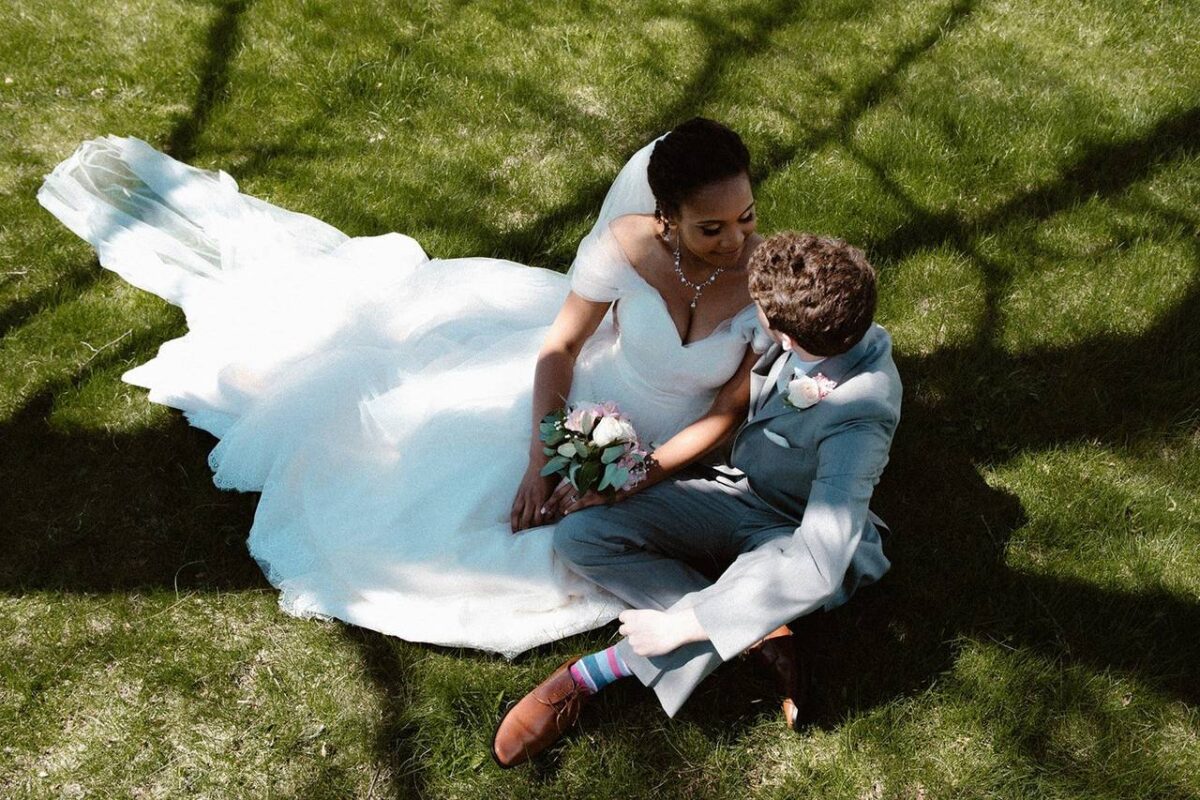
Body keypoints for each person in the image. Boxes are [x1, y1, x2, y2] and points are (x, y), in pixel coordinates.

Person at [37, 118, 770, 657]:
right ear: (665, 218)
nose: (735, 242)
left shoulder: (764, 275)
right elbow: (561, 346)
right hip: (579, 405)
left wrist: (640, 475)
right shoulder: (627, 246)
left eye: (746, 218)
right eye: (711, 229)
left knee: (555, 550)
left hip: (680, 445)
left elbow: (729, 409)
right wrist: (541, 456)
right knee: (436, 512)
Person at [491, 231, 902, 767]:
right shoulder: (820, 319)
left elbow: (820, 562)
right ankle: (758, 628)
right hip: (736, 489)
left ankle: (589, 676)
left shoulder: (862, 413)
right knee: (580, 536)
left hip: (791, 534)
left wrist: (682, 625)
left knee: (716, 612)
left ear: (787, 336)